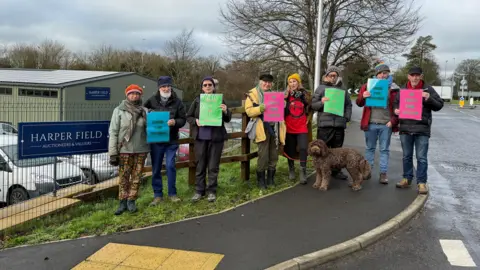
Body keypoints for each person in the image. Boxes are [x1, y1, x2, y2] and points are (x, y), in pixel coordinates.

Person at [393, 67, 444, 194]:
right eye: (412, 75)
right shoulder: (403, 89)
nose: (415, 78)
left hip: (422, 129)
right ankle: (407, 178)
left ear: (421, 76)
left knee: (421, 158)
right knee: (406, 156)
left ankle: (421, 183)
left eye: (417, 75)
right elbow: (396, 103)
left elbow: (439, 105)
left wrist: (428, 98)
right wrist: (396, 110)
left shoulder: (428, 89)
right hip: (405, 128)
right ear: (408, 76)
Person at [187, 76, 232, 202]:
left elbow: (228, 118)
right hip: (201, 138)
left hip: (216, 138)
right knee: (200, 165)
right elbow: (188, 116)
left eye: (210, 85)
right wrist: (196, 121)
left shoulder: (220, 99)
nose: (207, 87)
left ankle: (211, 191)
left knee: (213, 166)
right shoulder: (197, 100)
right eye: (205, 85)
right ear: (202, 88)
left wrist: (225, 111)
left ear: (213, 87)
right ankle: (199, 191)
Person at [144, 76, 186, 205]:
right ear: (159, 88)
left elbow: (183, 119)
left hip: (171, 140)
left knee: (170, 166)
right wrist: (148, 115)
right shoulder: (151, 100)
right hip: (156, 140)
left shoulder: (178, 102)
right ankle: (158, 195)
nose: (166, 88)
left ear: (171, 87)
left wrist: (175, 122)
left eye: (168, 86)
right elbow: (144, 113)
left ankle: (172, 193)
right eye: (163, 86)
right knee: (156, 168)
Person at [108, 84, 150, 215]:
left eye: (137, 94)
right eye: (132, 93)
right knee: (124, 178)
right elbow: (113, 132)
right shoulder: (119, 110)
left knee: (136, 177)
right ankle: (122, 202)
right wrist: (113, 153)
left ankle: (132, 200)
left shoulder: (145, 111)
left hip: (141, 149)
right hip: (124, 150)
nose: (134, 96)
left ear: (140, 95)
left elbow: (150, 129)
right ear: (127, 95)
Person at [356, 63, 399, 184]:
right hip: (371, 123)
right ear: (376, 74)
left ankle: (383, 174)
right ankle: (367, 171)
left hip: (386, 124)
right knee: (370, 148)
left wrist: (393, 121)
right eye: (380, 73)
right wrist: (363, 97)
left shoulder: (394, 89)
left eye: (385, 73)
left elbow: (399, 108)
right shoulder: (368, 86)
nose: (382, 75)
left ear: (388, 74)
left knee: (384, 150)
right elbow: (359, 103)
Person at [244, 74, 286, 189]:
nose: (267, 84)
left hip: (275, 128)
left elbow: (280, 110)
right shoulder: (252, 94)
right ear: (260, 81)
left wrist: (282, 104)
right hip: (262, 128)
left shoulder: (275, 95)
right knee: (263, 155)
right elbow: (249, 111)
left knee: (273, 155)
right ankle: (261, 180)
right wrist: (260, 109)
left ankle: (271, 179)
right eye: (265, 82)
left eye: (269, 82)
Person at [311, 66, 352, 180]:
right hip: (325, 124)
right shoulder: (321, 88)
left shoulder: (343, 89)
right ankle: (320, 171)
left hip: (339, 124)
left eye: (335, 75)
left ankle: (336, 171)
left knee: (337, 150)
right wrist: (321, 102)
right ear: (327, 76)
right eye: (331, 75)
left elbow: (348, 105)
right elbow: (313, 105)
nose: (333, 78)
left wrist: (346, 117)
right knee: (322, 149)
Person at [283, 73, 311, 184]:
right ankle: (291, 169)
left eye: (294, 81)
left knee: (303, 148)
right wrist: (285, 101)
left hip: (301, 126)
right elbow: (282, 112)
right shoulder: (285, 95)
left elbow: (311, 106)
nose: (292, 84)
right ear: (288, 84)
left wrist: (303, 98)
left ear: (298, 82)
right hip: (289, 126)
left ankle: (303, 171)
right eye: (290, 82)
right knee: (290, 149)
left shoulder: (305, 94)